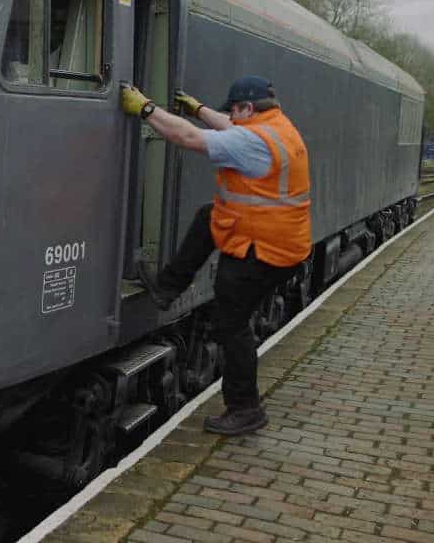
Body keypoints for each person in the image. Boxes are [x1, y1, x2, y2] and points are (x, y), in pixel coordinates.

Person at [120, 75, 311, 436]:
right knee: (210, 216)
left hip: (261, 250)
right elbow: (230, 126)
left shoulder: (251, 139)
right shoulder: (276, 127)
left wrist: (145, 109)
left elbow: (188, 138)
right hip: (281, 242)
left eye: (235, 110)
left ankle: (245, 408)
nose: (231, 116)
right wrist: (199, 109)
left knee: (230, 325)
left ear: (248, 109)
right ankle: (167, 288)